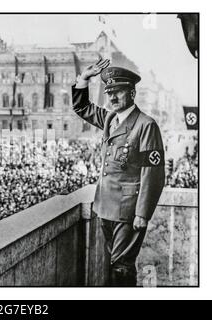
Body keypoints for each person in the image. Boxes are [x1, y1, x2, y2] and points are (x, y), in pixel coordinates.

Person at [71, 59, 165, 286]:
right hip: (106, 207)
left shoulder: (146, 125)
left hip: (128, 211)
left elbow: (153, 173)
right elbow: (83, 108)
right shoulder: (111, 119)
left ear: (132, 93)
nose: (112, 98)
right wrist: (84, 79)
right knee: (116, 263)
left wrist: (143, 213)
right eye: (109, 92)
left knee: (121, 267)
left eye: (119, 92)